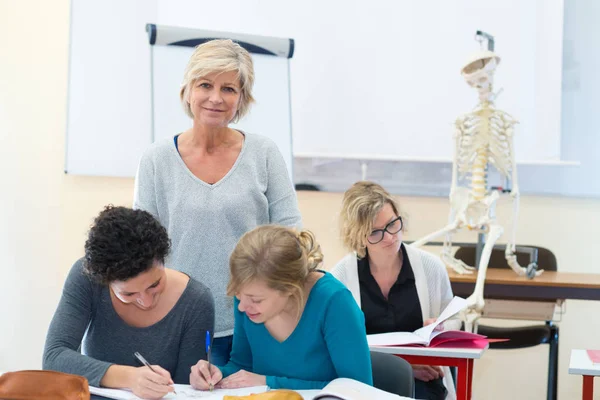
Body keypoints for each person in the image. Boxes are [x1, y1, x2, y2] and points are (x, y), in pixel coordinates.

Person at [133, 39, 302, 366]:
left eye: (229, 89)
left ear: (242, 99)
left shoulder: (263, 153)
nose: (215, 97)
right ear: (188, 90)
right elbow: (142, 249)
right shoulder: (156, 159)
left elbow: (290, 235)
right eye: (205, 85)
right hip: (177, 320)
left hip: (253, 321)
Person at [43, 206, 214, 400]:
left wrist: (200, 380)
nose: (146, 301)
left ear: (163, 260)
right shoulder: (86, 278)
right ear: (105, 282)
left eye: (155, 284)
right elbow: (54, 357)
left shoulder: (196, 302)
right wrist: (129, 377)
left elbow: (185, 391)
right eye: (129, 293)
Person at [189, 225, 373, 390]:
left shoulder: (334, 303)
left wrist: (269, 382)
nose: (242, 307)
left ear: (289, 290)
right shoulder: (248, 301)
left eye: (256, 300)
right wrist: (215, 374)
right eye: (238, 294)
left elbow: (358, 390)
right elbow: (241, 366)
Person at [330, 181, 461, 400]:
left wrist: (441, 327)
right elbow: (339, 347)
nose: (390, 237)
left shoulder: (430, 268)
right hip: (365, 383)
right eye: (376, 232)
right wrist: (406, 366)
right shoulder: (341, 277)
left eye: (392, 224)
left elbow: (455, 321)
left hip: (425, 382)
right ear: (359, 236)